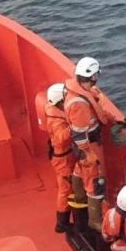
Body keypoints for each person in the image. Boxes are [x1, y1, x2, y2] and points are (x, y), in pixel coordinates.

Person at [64, 56, 118, 227]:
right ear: (93, 76)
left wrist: (115, 120)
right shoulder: (79, 104)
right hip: (89, 145)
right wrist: (89, 154)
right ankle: (95, 221)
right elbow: (80, 134)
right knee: (96, 181)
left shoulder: (80, 93)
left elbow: (97, 111)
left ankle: (79, 198)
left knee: (80, 170)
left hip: (84, 146)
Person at [44, 83, 77, 233]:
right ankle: (62, 223)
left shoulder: (54, 111)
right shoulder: (56, 121)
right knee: (65, 189)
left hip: (64, 155)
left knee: (67, 187)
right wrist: (74, 126)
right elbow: (61, 138)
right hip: (62, 158)